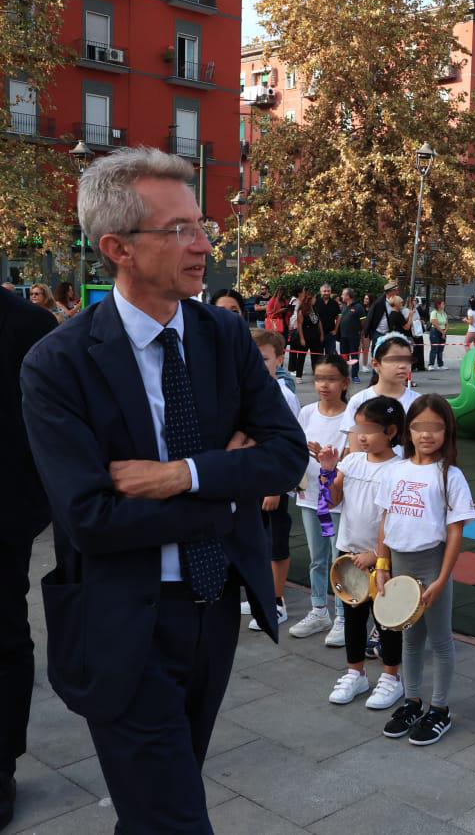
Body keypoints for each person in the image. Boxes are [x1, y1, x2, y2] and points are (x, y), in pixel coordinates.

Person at [19, 147, 305, 831]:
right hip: (121, 624)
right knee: (175, 821)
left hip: (214, 611)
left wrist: (184, 475)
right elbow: (91, 519)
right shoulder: (56, 364)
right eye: (179, 229)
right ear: (118, 247)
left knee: (154, 810)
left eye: (201, 225)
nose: (203, 244)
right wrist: (228, 487)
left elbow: (287, 455)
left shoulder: (224, 334)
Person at [374, 395, 475, 745]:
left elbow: (454, 532)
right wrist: (382, 565)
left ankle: (440, 709)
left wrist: (442, 579)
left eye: (436, 427)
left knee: (440, 639)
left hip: (432, 566)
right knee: (410, 639)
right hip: (399, 565)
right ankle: (413, 701)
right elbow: (385, 519)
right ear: (408, 431)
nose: (427, 434)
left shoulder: (451, 475)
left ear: (447, 432)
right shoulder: (395, 470)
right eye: (419, 427)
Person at [0, 288, 57, 829]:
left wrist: (25, 514)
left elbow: (52, 429)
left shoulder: (29, 324)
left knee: (5, 641)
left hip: (3, 521)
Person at [320, 396, 407, 709]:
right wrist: (329, 471)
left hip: (381, 559)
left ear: (392, 431)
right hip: (349, 555)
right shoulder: (352, 461)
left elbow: (395, 519)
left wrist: (376, 555)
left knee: (386, 621)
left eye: (370, 428)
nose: (361, 435)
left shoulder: (399, 469)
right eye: (358, 427)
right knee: (353, 618)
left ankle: (390, 677)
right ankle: (355, 673)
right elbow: (332, 500)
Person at [289, 355, 350, 645]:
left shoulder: (351, 415)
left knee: (339, 558)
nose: (323, 385)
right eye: (319, 378)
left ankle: (342, 615)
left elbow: (355, 459)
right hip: (310, 498)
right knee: (318, 558)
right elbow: (297, 451)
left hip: (337, 500)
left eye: (331, 379)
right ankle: (318, 610)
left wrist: (332, 463)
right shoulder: (308, 412)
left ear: (345, 383)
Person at [249, 328, 302, 631]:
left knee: (275, 545)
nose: (258, 364)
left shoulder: (283, 396)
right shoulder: (242, 391)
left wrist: (277, 488)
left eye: (265, 358)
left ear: (279, 360)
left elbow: (289, 447)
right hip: (249, 483)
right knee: (254, 542)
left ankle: (276, 601)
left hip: (273, 486)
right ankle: (260, 594)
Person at [342, 334, 421, 439]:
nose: (402, 365)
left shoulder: (419, 402)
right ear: (375, 364)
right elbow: (355, 448)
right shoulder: (359, 401)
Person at [338, 287, 367, 383]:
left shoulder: (358, 307)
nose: (341, 296)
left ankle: (355, 375)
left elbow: (363, 321)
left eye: (343, 294)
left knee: (354, 356)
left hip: (353, 336)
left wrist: (360, 331)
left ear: (348, 296)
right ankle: (344, 375)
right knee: (344, 357)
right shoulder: (344, 307)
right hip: (343, 336)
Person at [364, 281, 400, 358]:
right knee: (376, 354)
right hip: (378, 332)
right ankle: (375, 370)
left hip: (389, 332)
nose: (397, 292)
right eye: (396, 290)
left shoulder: (396, 301)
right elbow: (370, 317)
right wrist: (367, 332)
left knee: (387, 354)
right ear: (390, 291)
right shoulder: (379, 302)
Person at [315, 283, 340, 357]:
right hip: (318, 333)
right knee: (318, 355)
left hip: (330, 333)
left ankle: (329, 368)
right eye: (324, 291)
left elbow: (339, 315)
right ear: (321, 292)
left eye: (328, 291)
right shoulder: (316, 302)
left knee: (330, 355)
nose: (326, 293)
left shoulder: (334, 303)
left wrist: (336, 329)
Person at [429, 297, 448, 370]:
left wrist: (444, 332)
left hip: (443, 331)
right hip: (435, 331)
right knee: (434, 348)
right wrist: (442, 331)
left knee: (441, 349)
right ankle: (431, 364)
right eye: (443, 304)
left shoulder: (444, 313)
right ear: (438, 305)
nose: (444, 305)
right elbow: (434, 323)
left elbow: (447, 323)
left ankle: (440, 364)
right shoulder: (434, 313)